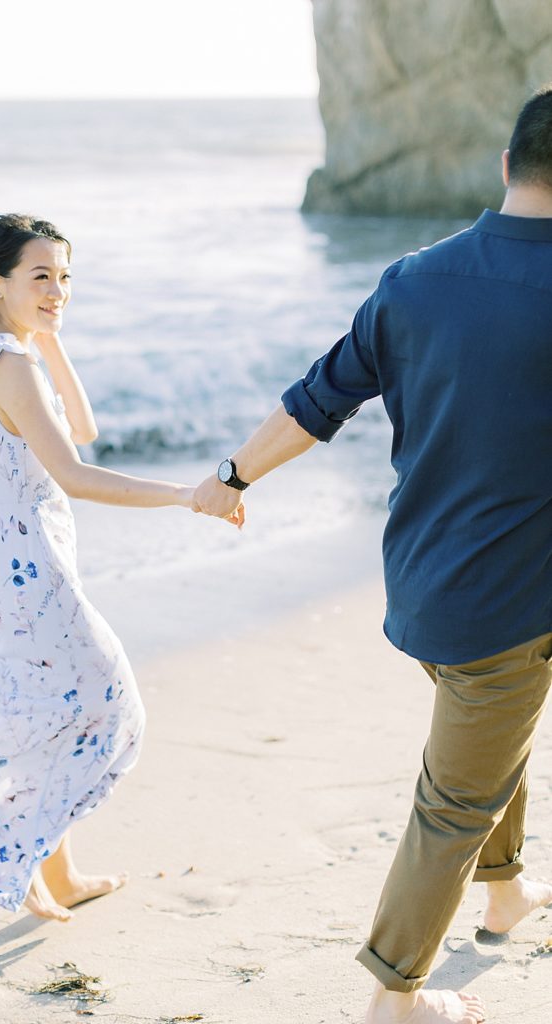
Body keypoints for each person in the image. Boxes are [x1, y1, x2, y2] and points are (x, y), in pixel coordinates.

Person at [192, 86, 552, 1024]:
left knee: (485, 729)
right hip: (510, 602)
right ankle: (394, 994)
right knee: (453, 795)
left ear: (506, 167)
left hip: (422, 585)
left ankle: (505, 892)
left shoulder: (410, 280)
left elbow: (317, 401)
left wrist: (231, 476)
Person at [0, 212, 243, 924]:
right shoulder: (9, 366)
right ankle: (5, 854)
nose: (58, 290)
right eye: (41, 276)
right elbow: (76, 472)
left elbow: (84, 424)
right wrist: (188, 497)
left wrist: (47, 334)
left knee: (41, 715)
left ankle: (57, 874)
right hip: (29, 572)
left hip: (3, 561)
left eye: (65, 277)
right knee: (104, 707)